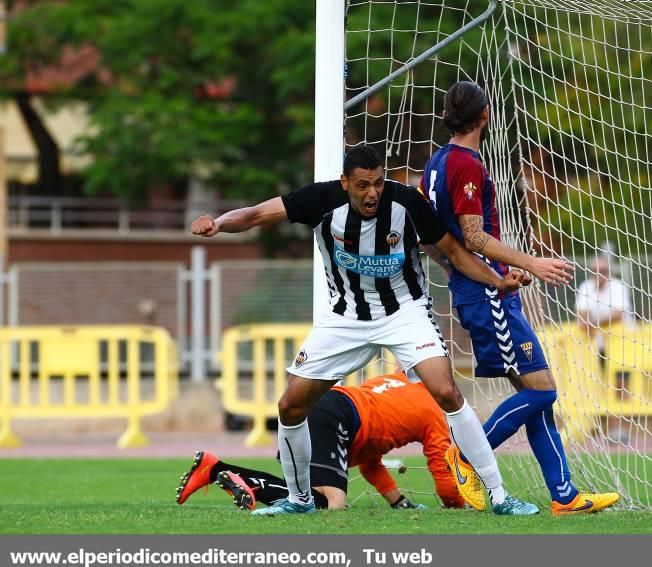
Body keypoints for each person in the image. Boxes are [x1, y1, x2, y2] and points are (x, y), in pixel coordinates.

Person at [192, 144, 538, 515]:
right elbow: (258, 213)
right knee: (290, 407)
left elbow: (454, 252)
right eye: (361, 185)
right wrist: (219, 223)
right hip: (344, 319)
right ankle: (298, 500)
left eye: (377, 183)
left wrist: (497, 281)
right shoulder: (321, 198)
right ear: (345, 183)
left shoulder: (407, 203)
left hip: (404, 312)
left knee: (447, 392)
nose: (371, 192)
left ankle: (500, 496)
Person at [420, 81, 620, 514]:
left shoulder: (434, 164)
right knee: (544, 393)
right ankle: (465, 453)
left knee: (537, 396)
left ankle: (564, 496)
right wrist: (531, 263)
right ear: (486, 114)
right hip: (487, 296)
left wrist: (465, 271)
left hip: (482, 287)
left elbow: (433, 241)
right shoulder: (464, 164)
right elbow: (472, 235)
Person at [176, 372, 465, 511]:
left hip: (325, 406)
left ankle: (213, 469)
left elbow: (370, 461)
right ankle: (233, 477)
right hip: (336, 417)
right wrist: (455, 506)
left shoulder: (396, 380)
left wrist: (399, 502)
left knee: (309, 495)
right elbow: (442, 467)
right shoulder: (434, 412)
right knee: (331, 504)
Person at [575, 254, 635, 358]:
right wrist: (587, 324)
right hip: (595, 339)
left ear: (609, 272)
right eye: (595, 270)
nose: (598, 274)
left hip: (621, 339)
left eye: (603, 270)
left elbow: (618, 314)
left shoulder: (618, 286)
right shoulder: (586, 286)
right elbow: (581, 311)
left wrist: (594, 324)